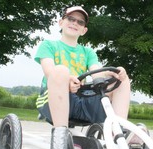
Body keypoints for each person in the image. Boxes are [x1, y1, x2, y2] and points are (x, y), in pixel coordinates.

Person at [34, 6, 130, 138]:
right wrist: (68, 79)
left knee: (121, 80)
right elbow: (49, 71)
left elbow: (97, 74)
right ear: (61, 22)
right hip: (52, 99)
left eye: (80, 22)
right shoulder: (48, 45)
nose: (75, 23)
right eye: (71, 19)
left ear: (84, 30)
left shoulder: (88, 52)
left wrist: (113, 74)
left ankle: (118, 133)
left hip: (81, 98)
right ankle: (60, 135)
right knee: (60, 70)